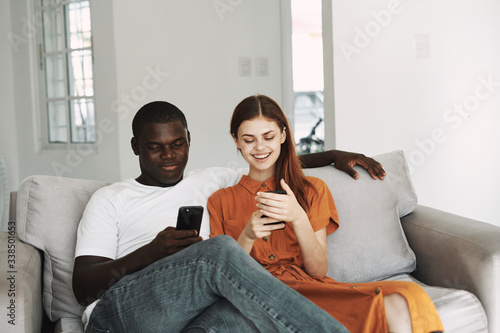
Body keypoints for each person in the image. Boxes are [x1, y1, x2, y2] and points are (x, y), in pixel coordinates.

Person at [72, 100, 385, 333]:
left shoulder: (212, 179)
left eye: (177, 144)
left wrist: (332, 155)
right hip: (123, 315)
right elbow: (83, 288)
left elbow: (265, 158)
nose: (168, 155)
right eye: (155, 147)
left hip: (194, 311)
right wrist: (151, 253)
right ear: (135, 147)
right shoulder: (110, 199)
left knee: (248, 315)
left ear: (189, 141)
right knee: (221, 250)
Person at [208, 95, 445, 333]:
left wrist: (299, 218)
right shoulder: (220, 200)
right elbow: (221, 278)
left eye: (268, 137)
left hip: (312, 291)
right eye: (249, 140)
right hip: (260, 296)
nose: (260, 147)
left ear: (282, 135)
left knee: (407, 296)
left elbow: (318, 270)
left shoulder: (312, 189)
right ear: (236, 140)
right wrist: (248, 236)